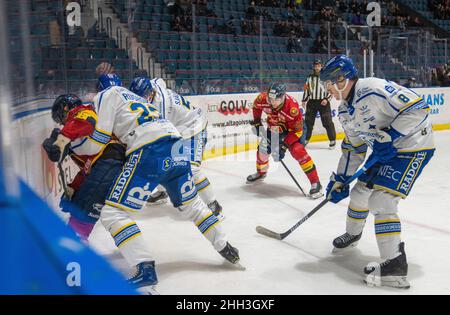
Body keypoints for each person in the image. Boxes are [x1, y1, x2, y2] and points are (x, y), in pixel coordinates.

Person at [45, 74, 241, 293]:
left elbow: (98, 142)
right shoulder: (136, 98)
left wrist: (66, 144)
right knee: (192, 205)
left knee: (113, 213)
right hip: (176, 144)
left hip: (149, 148)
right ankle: (225, 247)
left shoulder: (106, 95)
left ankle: (145, 271)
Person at [321, 55, 435, 289]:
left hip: (414, 146)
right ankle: (352, 235)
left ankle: (395, 266)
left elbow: (419, 108)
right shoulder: (344, 111)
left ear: (342, 79)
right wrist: (340, 179)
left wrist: (393, 134)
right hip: (386, 151)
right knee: (359, 193)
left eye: (329, 84)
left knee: (381, 201)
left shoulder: (373, 88)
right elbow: (354, 148)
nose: (327, 90)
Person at [129, 77, 223, 219]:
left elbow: (160, 133)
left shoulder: (161, 106)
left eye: (142, 97)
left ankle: (213, 203)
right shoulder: (153, 87)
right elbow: (159, 79)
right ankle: (163, 191)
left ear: (150, 93)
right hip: (180, 127)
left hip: (194, 127)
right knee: (163, 161)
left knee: (192, 169)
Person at [42, 93, 126, 241]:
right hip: (109, 164)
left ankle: (75, 254)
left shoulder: (82, 111)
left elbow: (87, 121)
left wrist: (61, 140)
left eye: (60, 117)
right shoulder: (80, 137)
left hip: (110, 162)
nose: (62, 123)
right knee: (89, 206)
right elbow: (89, 166)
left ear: (65, 108)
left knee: (83, 211)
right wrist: (74, 187)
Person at [246, 82, 323, 199]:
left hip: (294, 130)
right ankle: (261, 172)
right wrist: (257, 121)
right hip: (275, 127)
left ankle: (315, 182)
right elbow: (256, 106)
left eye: (275, 100)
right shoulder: (263, 98)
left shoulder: (292, 108)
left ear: (282, 98)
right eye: (269, 98)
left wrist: (283, 146)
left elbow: (297, 131)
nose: (271, 102)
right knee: (263, 148)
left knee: (298, 150)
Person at [302, 60, 337, 149]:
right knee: (308, 122)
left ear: (322, 66)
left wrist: (326, 99)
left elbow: (331, 90)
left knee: (327, 121)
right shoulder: (309, 77)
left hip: (323, 102)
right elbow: (307, 89)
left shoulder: (327, 76)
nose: (317, 67)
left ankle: (332, 139)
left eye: (319, 65)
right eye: (315, 65)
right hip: (312, 102)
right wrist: (304, 100)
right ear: (314, 66)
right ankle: (305, 139)